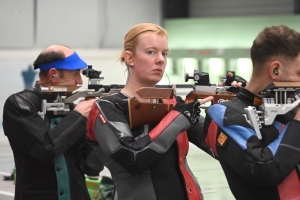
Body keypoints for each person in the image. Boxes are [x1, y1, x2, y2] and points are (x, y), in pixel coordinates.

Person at [86, 23, 213, 200]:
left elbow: (218, 146)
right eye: (151, 52)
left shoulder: (173, 104)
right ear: (129, 58)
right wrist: (180, 116)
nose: (161, 59)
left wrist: (225, 111)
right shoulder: (107, 107)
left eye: (164, 53)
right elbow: (134, 159)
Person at [203, 25, 300, 200]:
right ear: (275, 70)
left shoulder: (289, 108)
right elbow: (264, 170)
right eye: (299, 73)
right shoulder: (224, 114)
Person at [3, 45, 103, 200]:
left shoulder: (72, 108)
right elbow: (45, 149)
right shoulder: (19, 104)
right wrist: (79, 115)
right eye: (75, 73)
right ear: (53, 74)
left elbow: (91, 167)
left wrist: (97, 126)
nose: (79, 80)